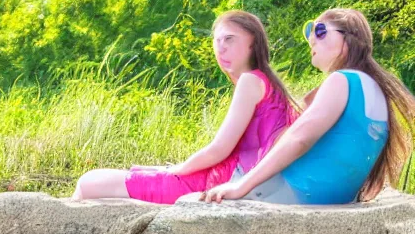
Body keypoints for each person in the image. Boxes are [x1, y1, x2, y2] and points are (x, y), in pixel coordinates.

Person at [72, 10, 298, 204]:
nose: (221, 48)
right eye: (217, 41)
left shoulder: (251, 81)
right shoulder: (267, 84)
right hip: (227, 177)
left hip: (221, 181)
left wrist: (175, 170)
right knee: (114, 177)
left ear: (253, 43)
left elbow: (220, 149)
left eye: (229, 39)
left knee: (89, 182)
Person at [202, 8, 415, 205]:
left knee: (203, 192)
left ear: (349, 38)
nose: (312, 40)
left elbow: (299, 138)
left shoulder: (342, 80)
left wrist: (242, 185)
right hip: (333, 197)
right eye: (309, 33)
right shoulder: (373, 87)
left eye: (321, 31)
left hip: (298, 192)